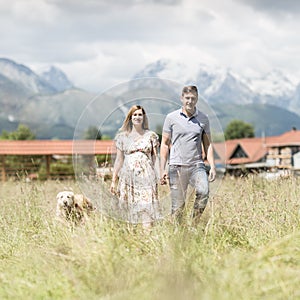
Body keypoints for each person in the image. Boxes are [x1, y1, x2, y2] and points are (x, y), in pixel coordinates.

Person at [160, 85, 216, 220]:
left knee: (204, 191)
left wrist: (213, 166)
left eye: (193, 98)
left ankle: (194, 223)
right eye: (187, 98)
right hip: (176, 166)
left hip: (197, 165)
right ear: (181, 98)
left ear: (197, 99)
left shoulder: (203, 118)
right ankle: (178, 233)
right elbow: (165, 144)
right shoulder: (171, 118)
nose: (190, 101)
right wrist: (162, 168)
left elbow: (207, 144)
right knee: (178, 205)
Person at [110, 105, 160, 225]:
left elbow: (155, 158)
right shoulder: (122, 137)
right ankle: (132, 238)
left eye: (140, 114)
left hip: (146, 175)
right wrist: (113, 180)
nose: (137, 117)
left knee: (146, 207)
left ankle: (147, 238)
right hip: (128, 177)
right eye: (135, 114)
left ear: (144, 117)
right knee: (129, 210)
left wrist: (159, 175)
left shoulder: (151, 136)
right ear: (130, 118)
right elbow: (119, 160)